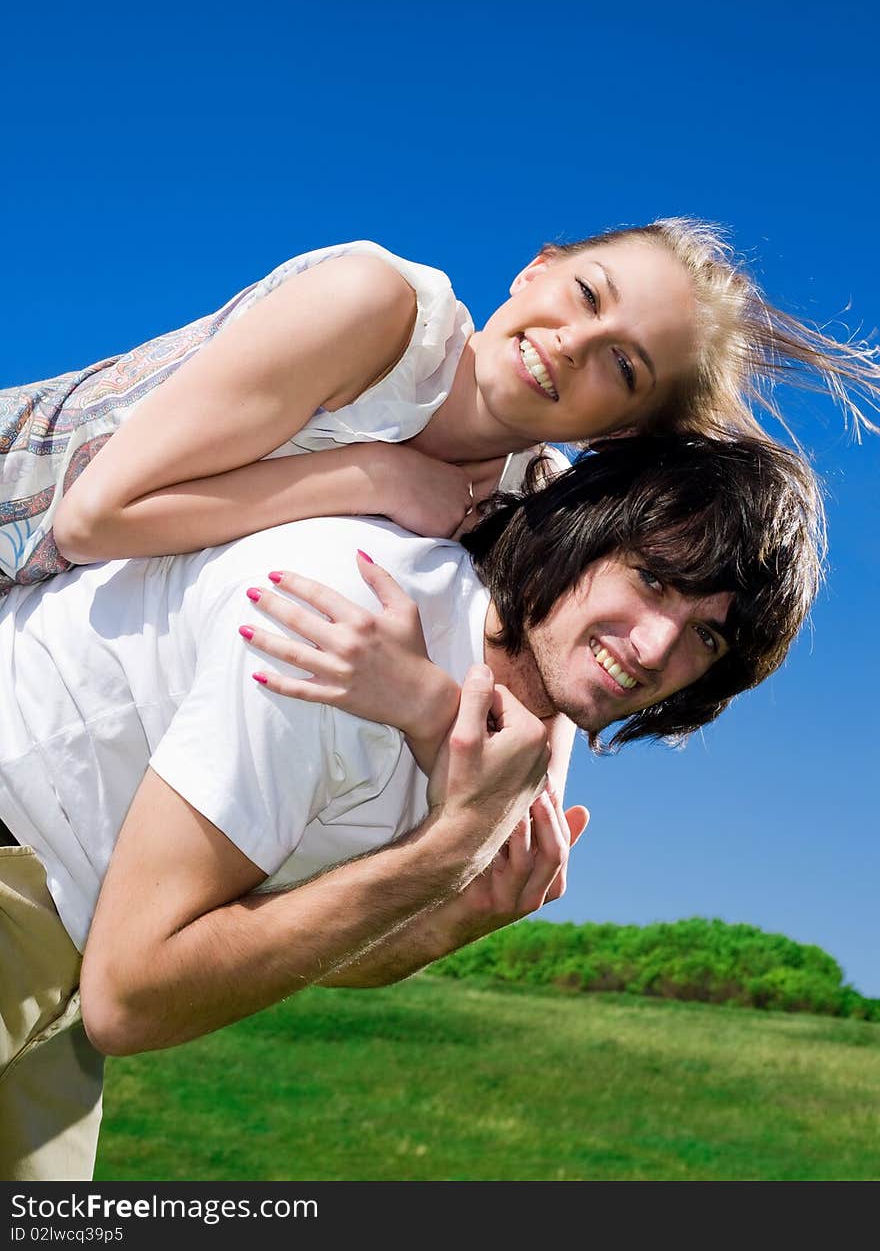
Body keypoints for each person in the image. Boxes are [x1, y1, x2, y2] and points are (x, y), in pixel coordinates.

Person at [0, 431, 823, 1180]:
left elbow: (268, 947)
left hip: (75, 944)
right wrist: (444, 854)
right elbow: (132, 998)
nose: (653, 648)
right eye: (652, 578)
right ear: (584, 530)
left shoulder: (502, 744)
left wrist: (443, 914)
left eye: (706, 638)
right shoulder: (342, 630)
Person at [1, 221, 873, 596]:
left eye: (623, 363)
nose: (571, 341)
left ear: (624, 431)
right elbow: (92, 520)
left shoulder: (529, 502)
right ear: (536, 269)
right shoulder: (371, 308)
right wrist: (370, 473)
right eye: (584, 292)